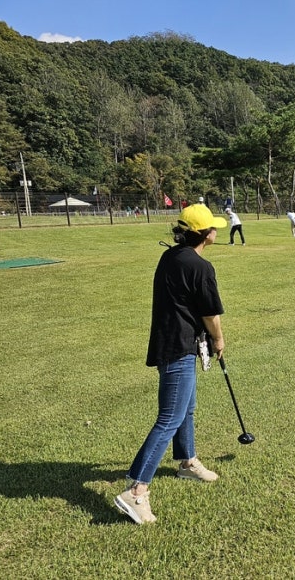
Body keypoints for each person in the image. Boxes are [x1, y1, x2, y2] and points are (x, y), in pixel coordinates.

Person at [114, 203, 228, 525]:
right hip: (178, 347)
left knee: (186, 408)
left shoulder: (170, 256)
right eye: (213, 227)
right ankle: (136, 491)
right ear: (205, 233)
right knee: (169, 418)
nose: (216, 230)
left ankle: (187, 461)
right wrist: (218, 341)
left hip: (171, 342)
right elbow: (210, 315)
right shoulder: (200, 267)